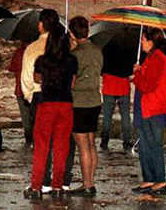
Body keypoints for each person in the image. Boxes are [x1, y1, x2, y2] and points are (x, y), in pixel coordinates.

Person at [25, 25, 78, 201]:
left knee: (42, 147)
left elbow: (36, 79)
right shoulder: (72, 61)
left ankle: (36, 186)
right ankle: (57, 186)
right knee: (61, 147)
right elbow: (72, 84)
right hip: (65, 105)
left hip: (46, 105)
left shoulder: (42, 61)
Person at [131, 27, 166, 195]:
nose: (141, 43)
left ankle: (160, 179)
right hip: (148, 107)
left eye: (143, 39)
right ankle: (149, 178)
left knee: (153, 145)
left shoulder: (157, 59)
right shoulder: (152, 58)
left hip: (153, 108)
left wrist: (136, 75)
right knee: (145, 145)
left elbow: (148, 86)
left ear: (151, 41)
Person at [67, 16, 102, 197]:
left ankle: (87, 184)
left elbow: (71, 82)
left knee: (82, 147)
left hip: (79, 102)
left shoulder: (74, 55)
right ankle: (91, 180)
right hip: (95, 100)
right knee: (91, 143)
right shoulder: (97, 51)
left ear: (72, 33)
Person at [100, 41, 133, 150]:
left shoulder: (106, 48)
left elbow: (101, 69)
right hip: (123, 87)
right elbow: (130, 71)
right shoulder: (128, 49)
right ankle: (127, 140)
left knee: (107, 116)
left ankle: (104, 140)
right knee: (125, 116)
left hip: (109, 86)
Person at [7, 40, 33, 146]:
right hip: (35, 89)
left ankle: (28, 136)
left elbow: (12, 68)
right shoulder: (37, 50)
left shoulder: (18, 53)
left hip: (20, 89)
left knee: (25, 114)